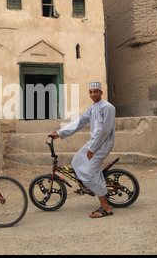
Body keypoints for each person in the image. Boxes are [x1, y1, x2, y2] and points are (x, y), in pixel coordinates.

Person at [50, 82, 116, 218]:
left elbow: (105, 131)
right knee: (76, 161)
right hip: (93, 143)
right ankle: (88, 186)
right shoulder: (92, 108)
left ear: (101, 93)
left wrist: (92, 149)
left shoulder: (108, 107)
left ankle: (105, 207)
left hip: (102, 145)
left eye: (96, 92)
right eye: (90, 92)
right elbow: (79, 122)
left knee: (89, 174)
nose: (93, 95)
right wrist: (59, 133)